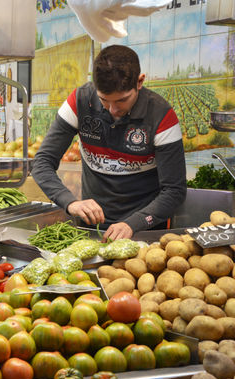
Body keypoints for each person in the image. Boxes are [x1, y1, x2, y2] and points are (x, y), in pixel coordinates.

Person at [33, 45, 186, 241]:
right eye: (104, 100)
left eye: (122, 100)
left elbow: (174, 191)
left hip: (144, 230)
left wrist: (134, 223)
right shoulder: (79, 101)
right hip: (91, 228)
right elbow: (42, 162)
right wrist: (70, 202)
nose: (112, 110)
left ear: (139, 82)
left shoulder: (161, 115)